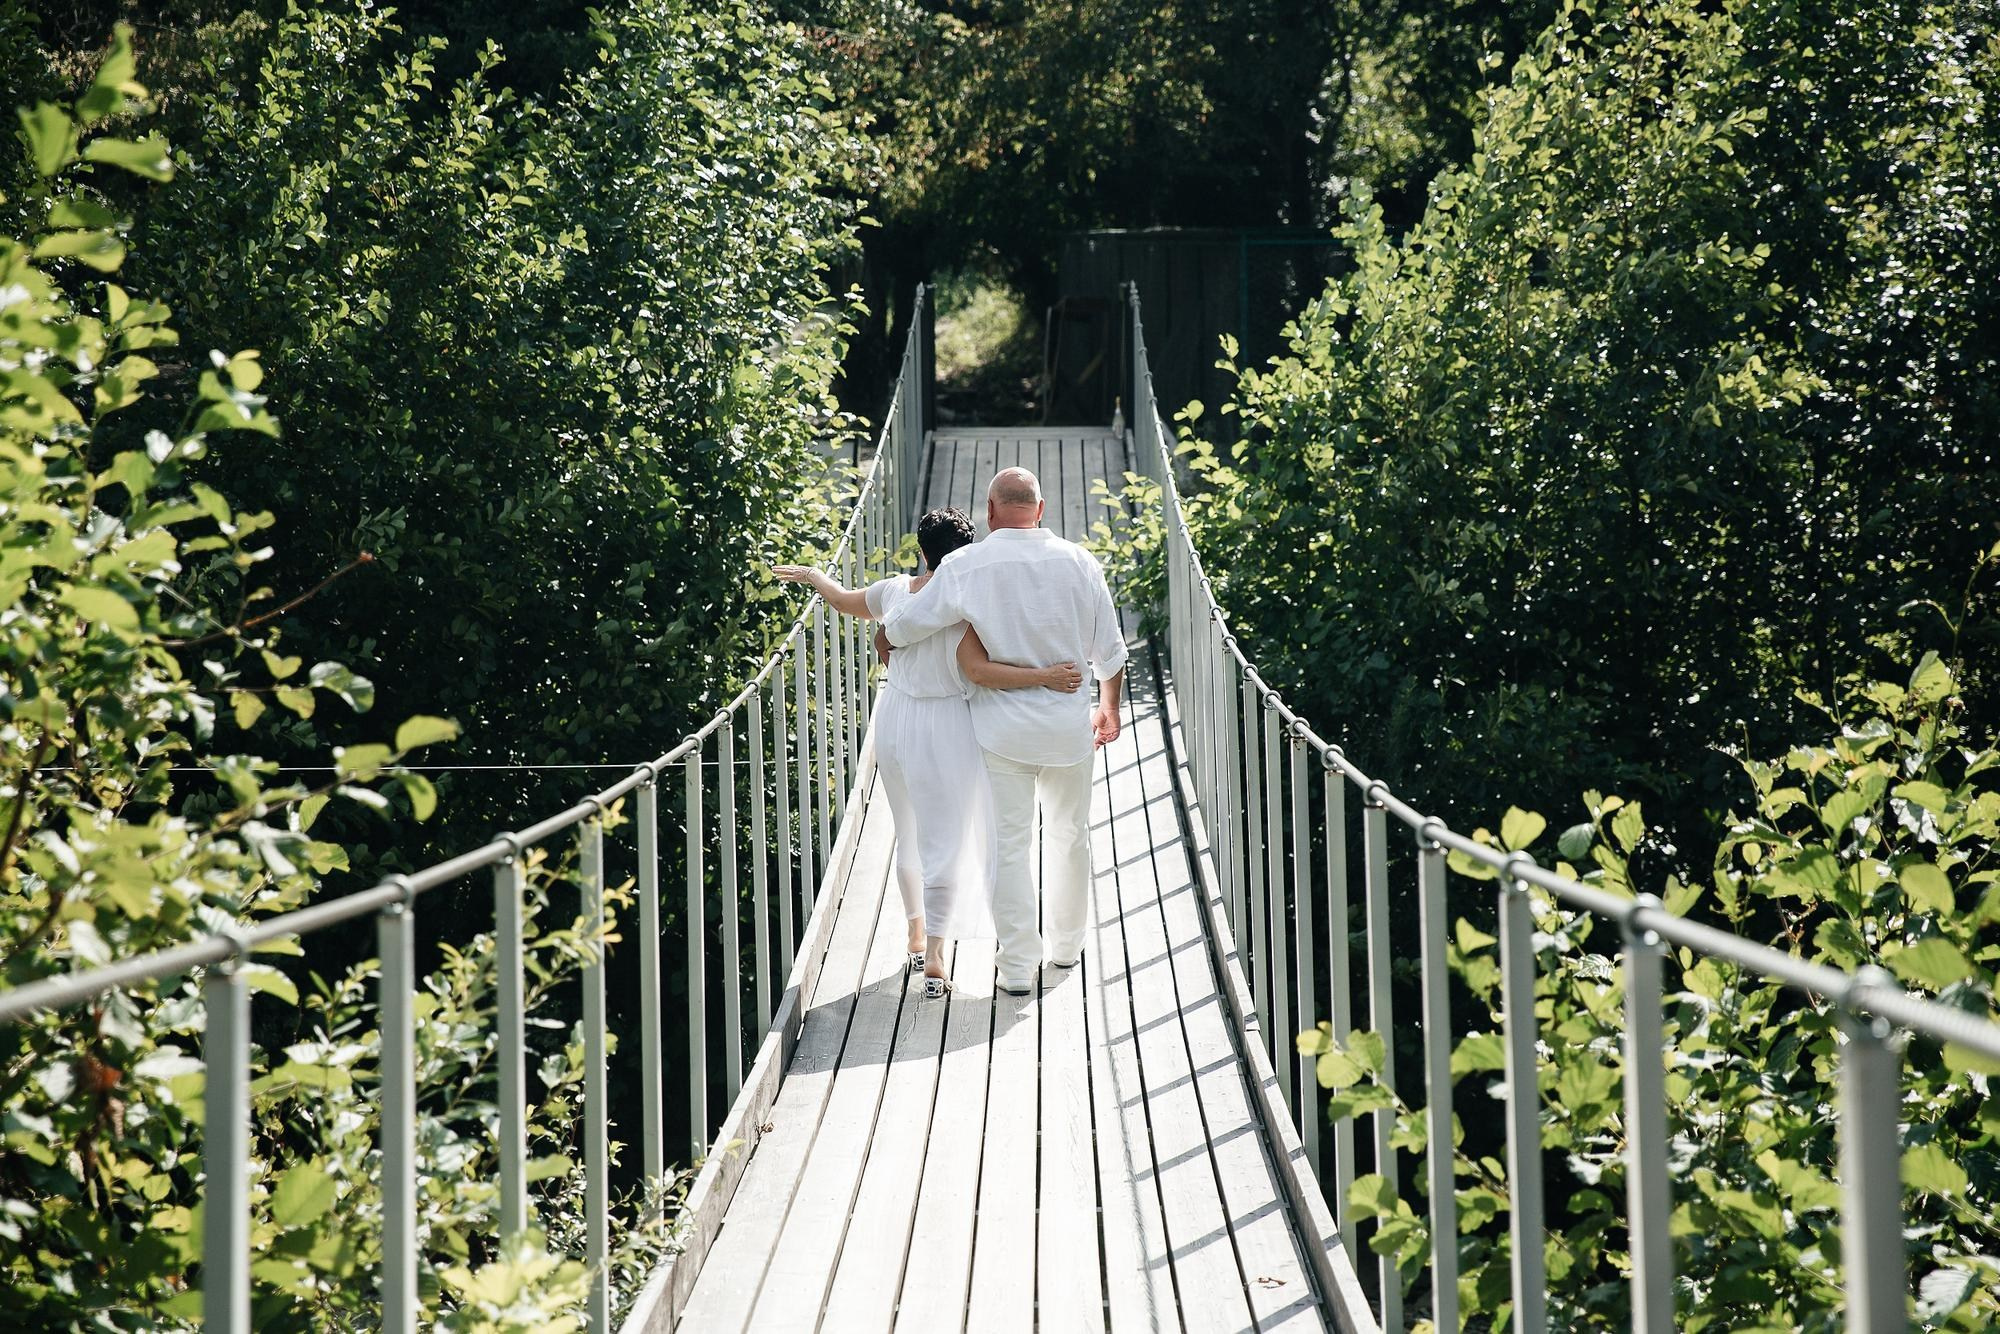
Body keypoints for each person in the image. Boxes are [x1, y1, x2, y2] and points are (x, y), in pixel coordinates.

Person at [774, 508, 1082, 997]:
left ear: (922, 550)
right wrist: (1047, 676)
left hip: (893, 718)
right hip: (947, 724)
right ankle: (936, 956)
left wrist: (813, 575)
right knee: (946, 842)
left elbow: (841, 600)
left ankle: (915, 933)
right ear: (968, 553)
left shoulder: (893, 591)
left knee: (908, 833)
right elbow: (981, 672)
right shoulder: (967, 604)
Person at [881, 468, 1127, 996]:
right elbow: (1109, 652)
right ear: (1041, 511)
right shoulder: (1081, 562)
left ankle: (1016, 968)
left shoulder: (969, 565)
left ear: (990, 514)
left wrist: (889, 636)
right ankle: (1066, 948)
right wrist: (1109, 707)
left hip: (1002, 733)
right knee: (1070, 837)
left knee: (1011, 847)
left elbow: (905, 625)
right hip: (1067, 728)